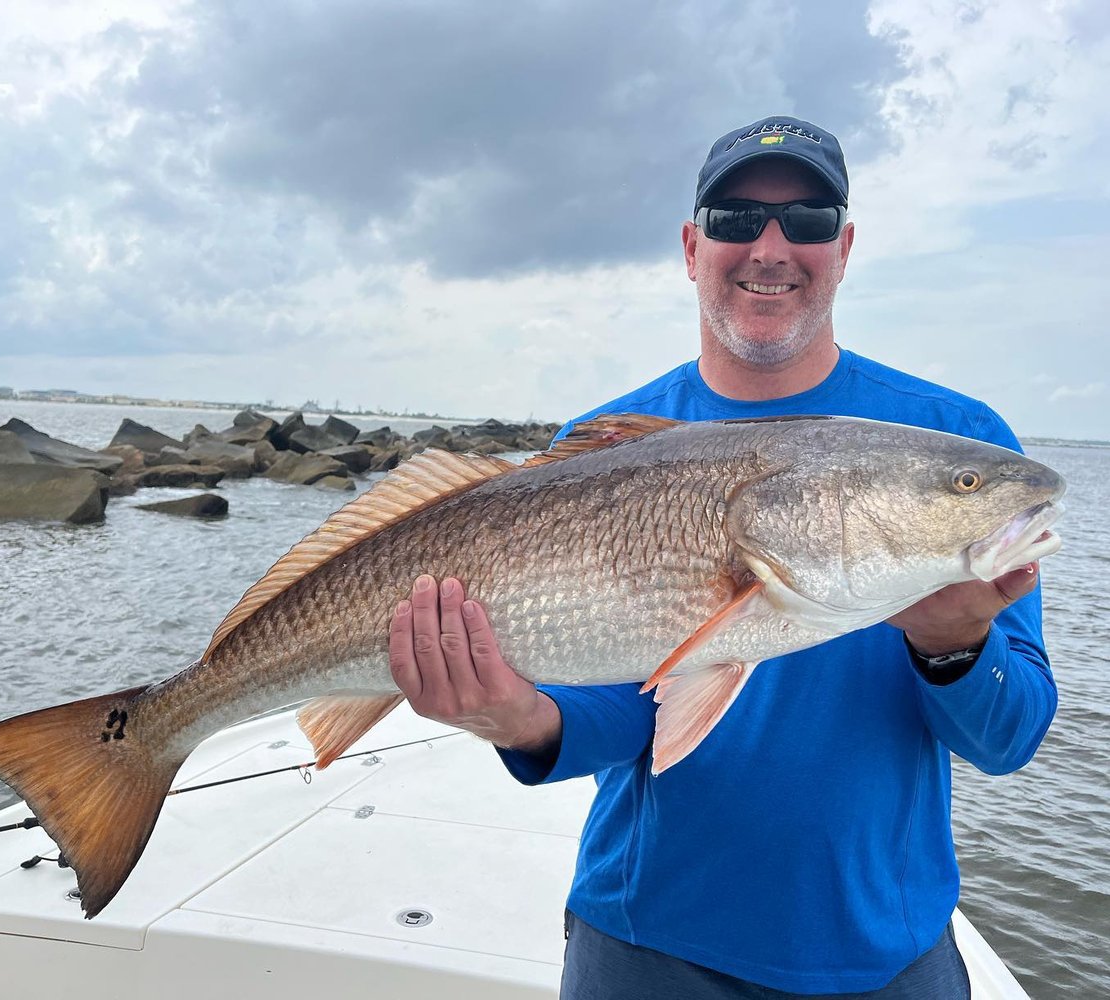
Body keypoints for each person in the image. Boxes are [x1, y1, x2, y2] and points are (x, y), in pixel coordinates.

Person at [386, 115, 1055, 999]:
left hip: (885, 954)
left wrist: (954, 648)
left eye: (807, 221)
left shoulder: (959, 440)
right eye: (737, 219)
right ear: (692, 245)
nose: (770, 247)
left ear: (844, 247)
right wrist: (523, 719)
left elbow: (1011, 738)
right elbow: (630, 716)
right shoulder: (597, 449)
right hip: (642, 942)